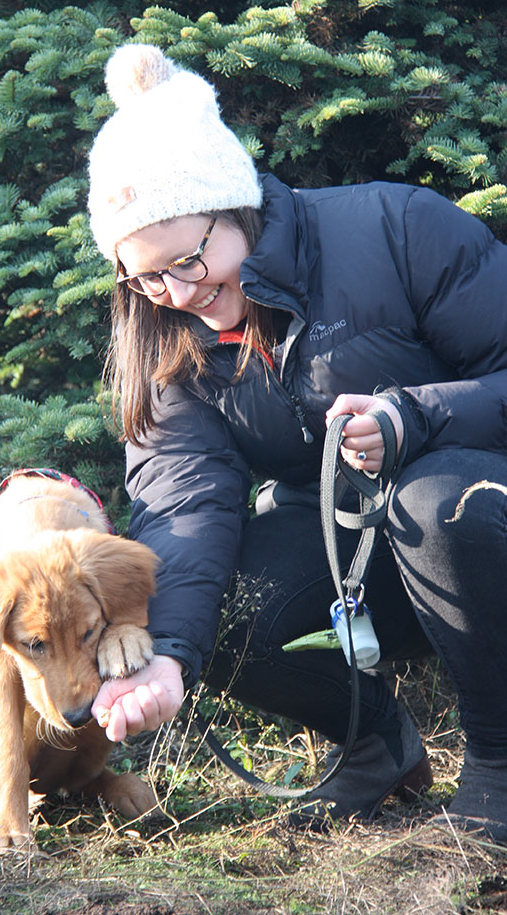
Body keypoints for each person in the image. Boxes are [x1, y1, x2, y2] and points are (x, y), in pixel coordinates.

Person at [87, 43, 507, 838]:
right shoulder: (166, 337)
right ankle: (375, 748)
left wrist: (411, 418)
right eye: (144, 277)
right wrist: (168, 652)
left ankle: (499, 760)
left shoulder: (396, 227)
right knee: (229, 595)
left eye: (189, 258)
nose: (178, 294)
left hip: (482, 523)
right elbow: (183, 498)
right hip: (358, 553)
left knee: (434, 498)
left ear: (234, 206)